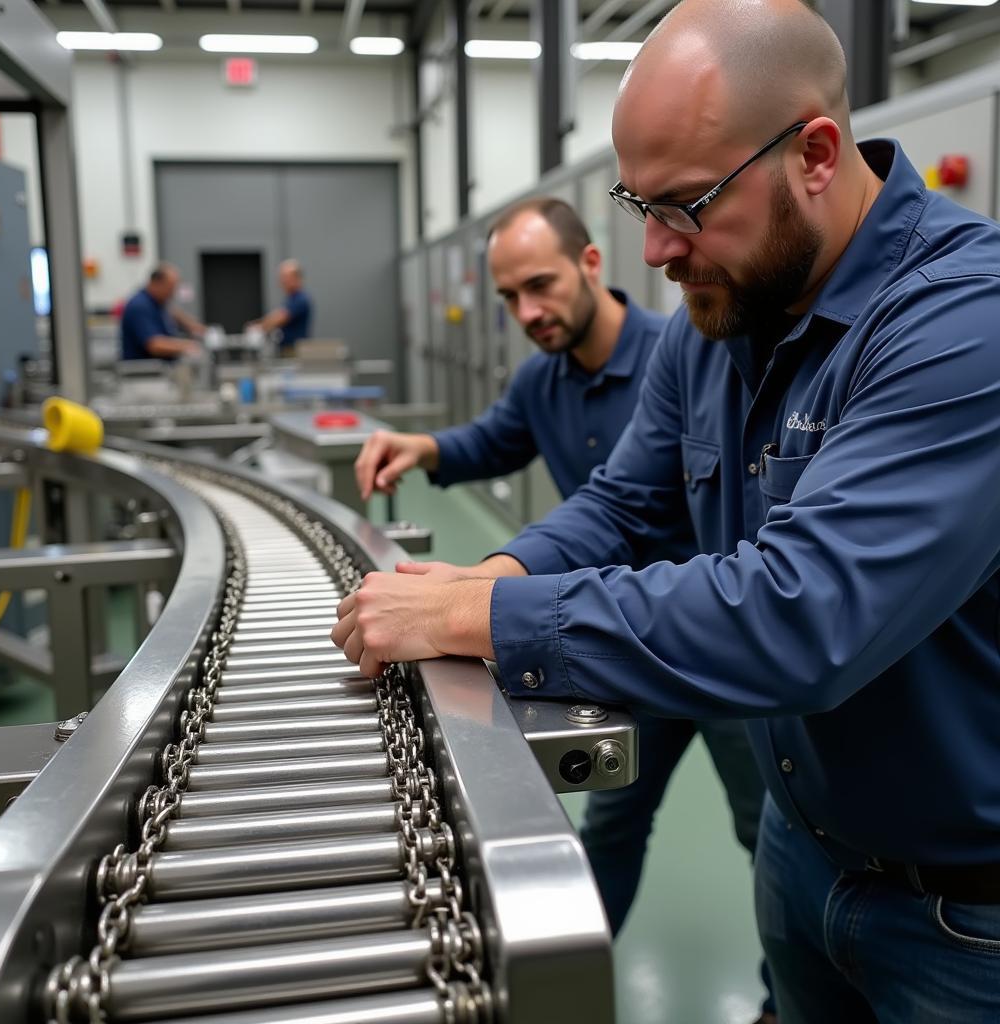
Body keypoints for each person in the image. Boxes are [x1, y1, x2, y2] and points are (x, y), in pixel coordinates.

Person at [332, 1, 1000, 1022]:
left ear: (815, 154)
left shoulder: (960, 321)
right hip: (803, 845)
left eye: (684, 203)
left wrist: (487, 621)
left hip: (962, 919)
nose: (653, 251)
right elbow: (624, 503)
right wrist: (487, 578)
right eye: (636, 203)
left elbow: (805, 612)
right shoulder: (717, 311)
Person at [354, 196, 774, 1021]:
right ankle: (557, 990)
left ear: (591, 264)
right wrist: (430, 456)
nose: (528, 313)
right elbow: (533, 460)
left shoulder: (687, 347)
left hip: (719, 649)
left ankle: (775, 998)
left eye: (540, 286)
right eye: (510, 298)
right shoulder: (542, 378)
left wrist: (479, 599)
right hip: (615, 653)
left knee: (770, 835)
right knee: (612, 827)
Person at [120, 263, 204, 361]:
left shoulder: (157, 303)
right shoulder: (140, 306)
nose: (172, 294)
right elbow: (154, 345)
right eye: (170, 289)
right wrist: (188, 346)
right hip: (145, 371)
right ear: (157, 283)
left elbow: (172, 313)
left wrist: (191, 325)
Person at [246, 259, 312, 352]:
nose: (282, 281)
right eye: (281, 277)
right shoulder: (291, 299)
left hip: (293, 351)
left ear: (296, 278)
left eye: (285, 277)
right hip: (287, 349)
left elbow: (279, 318)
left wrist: (257, 327)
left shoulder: (300, 299)